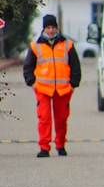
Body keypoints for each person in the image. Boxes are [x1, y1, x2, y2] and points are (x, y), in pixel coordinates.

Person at [23, 14, 81, 157]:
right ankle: (44, 147)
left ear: (57, 28)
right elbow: (28, 66)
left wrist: (73, 84)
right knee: (44, 118)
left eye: (53, 27)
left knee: (61, 119)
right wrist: (32, 82)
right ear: (44, 29)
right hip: (42, 88)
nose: (51, 31)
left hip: (63, 89)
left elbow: (75, 66)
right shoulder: (35, 46)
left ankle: (60, 145)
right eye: (48, 28)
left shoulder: (68, 45)